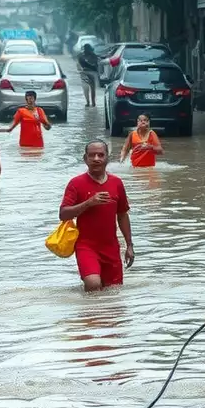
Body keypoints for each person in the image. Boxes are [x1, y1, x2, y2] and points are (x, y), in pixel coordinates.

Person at [59, 139, 135, 291]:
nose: (96, 159)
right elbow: (63, 214)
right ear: (85, 159)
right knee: (93, 284)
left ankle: (98, 314)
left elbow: (122, 215)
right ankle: (88, 313)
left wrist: (129, 246)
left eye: (100, 155)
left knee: (113, 291)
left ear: (107, 158)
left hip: (111, 247)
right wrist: (88, 203)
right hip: (86, 246)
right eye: (92, 155)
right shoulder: (76, 183)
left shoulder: (117, 183)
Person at [77, 43, 100, 108]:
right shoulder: (94, 55)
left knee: (86, 89)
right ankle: (93, 103)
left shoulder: (81, 56)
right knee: (92, 89)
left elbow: (79, 65)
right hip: (92, 73)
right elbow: (96, 65)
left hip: (84, 73)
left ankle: (88, 102)